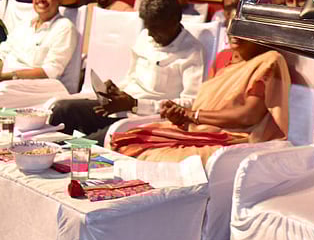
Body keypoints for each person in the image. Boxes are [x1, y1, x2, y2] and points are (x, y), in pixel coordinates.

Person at [110, 21, 290, 165]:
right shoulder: (224, 58)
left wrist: (193, 115)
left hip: (231, 140)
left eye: (243, 24)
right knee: (130, 139)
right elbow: (208, 104)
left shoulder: (269, 61)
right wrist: (181, 115)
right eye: (231, 23)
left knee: (154, 156)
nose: (234, 30)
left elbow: (247, 116)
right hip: (198, 130)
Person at [49, 0, 206, 144]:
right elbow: (132, 78)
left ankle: (64, 160)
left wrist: (137, 105)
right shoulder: (145, 37)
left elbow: (190, 103)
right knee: (63, 110)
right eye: (148, 27)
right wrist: (116, 92)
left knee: (80, 144)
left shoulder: (192, 51)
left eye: (156, 29)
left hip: (146, 121)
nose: (150, 34)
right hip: (122, 109)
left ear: (174, 20)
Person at [0, 0, 78, 108]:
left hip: (27, 87)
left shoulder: (65, 27)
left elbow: (50, 71)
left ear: (60, 0)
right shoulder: (25, 22)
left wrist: (6, 77)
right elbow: (2, 51)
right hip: (0, 79)